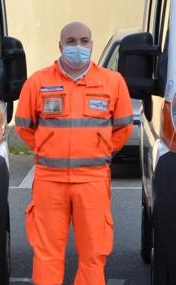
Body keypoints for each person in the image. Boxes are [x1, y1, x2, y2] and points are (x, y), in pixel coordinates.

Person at [13, 21, 132, 285]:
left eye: (84, 41)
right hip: (49, 181)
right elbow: (23, 126)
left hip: (92, 181)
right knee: (46, 254)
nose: (78, 47)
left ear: (92, 45)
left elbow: (123, 128)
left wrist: (98, 149)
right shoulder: (38, 82)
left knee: (94, 254)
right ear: (59, 46)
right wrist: (49, 147)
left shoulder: (112, 82)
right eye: (71, 41)